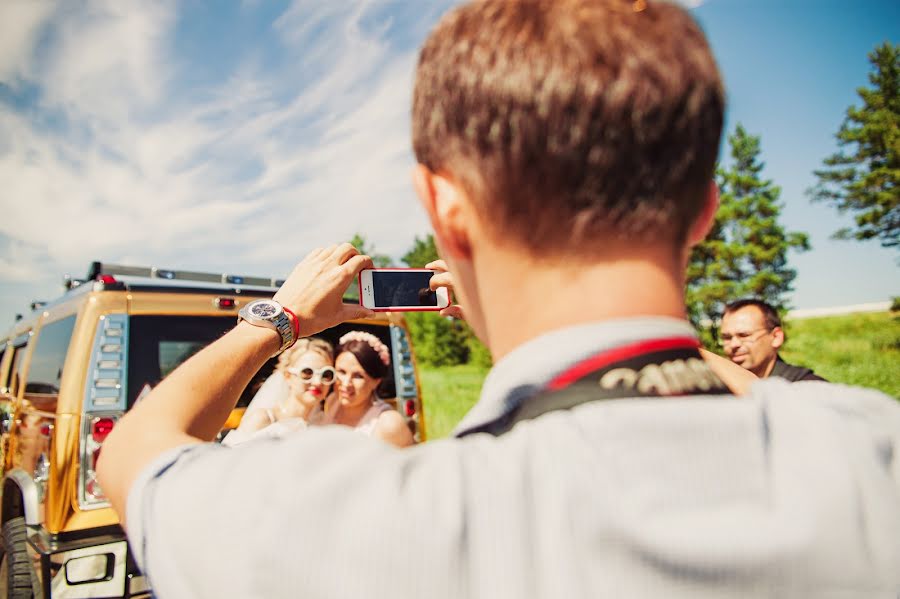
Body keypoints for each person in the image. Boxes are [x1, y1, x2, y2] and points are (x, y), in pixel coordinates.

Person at [97, 2, 900, 598]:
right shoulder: (869, 449)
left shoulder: (364, 523)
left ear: (446, 212)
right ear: (702, 213)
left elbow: (132, 455)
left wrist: (282, 320)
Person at [220, 337, 336, 446]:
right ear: (288, 376)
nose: (317, 382)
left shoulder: (325, 425)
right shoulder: (264, 419)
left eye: (326, 374)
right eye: (307, 372)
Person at [330, 331, 414, 446]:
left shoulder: (389, 423)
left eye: (358, 376)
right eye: (341, 372)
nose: (346, 383)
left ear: (376, 382)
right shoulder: (332, 402)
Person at [720, 298, 827, 382]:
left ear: (776, 337)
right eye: (727, 338)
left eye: (744, 335)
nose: (734, 344)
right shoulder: (721, 390)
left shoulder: (808, 388)